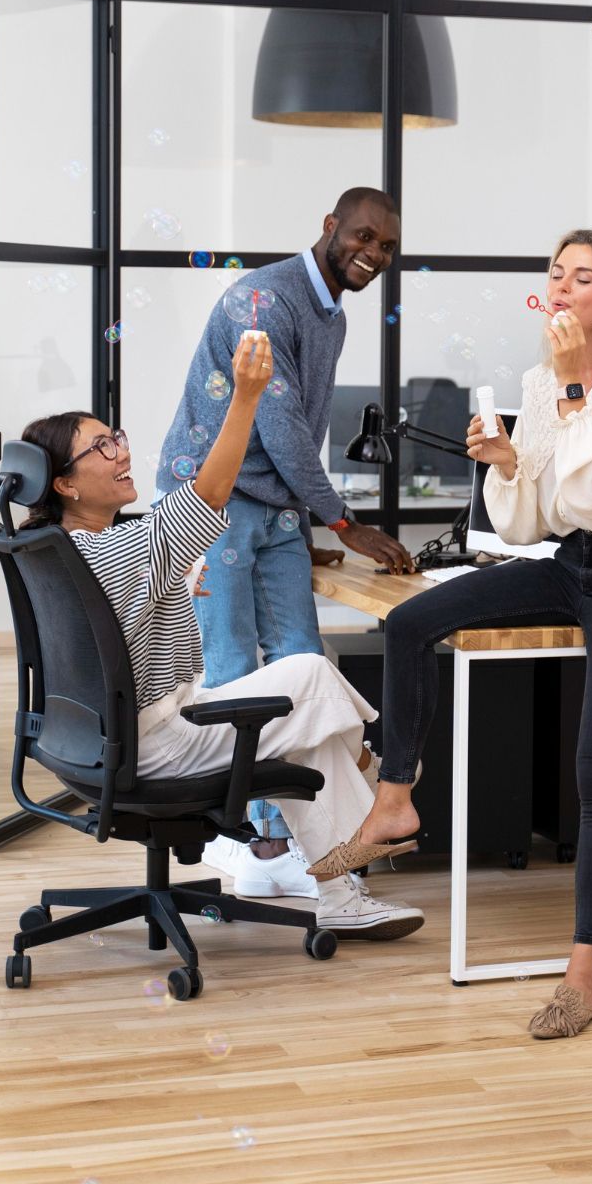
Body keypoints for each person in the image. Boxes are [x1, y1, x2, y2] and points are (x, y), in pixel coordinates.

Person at [307, 230, 592, 1038]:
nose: (560, 288)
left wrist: (578, 386)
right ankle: (395, 804)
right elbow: (536, 521)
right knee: (413, 621)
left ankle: (582, 976)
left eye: (581, 278)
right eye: (555, 273)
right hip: (572, 564)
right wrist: (508, 464)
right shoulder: (539, 378)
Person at [21, 330, 424, 942]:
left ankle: (344, 884)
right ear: (67, 485)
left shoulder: (52, 547)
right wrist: (245, 396)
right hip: (156, 744)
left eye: (116, 436)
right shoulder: (124, 547)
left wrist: (174, 587)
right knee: (308, 680)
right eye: (100, 447)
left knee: (301, 710)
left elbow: (115, 624)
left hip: (91, 740)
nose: (119, 451)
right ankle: (379, 781)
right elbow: (210, 494)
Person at [156, 187, 414, 899]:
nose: (373, 254)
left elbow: (299, 432)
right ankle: (253, 838)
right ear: (329, 226)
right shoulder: (262, 303)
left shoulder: (330, 312)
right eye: (363, 236)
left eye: (387, 246)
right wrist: (343, 521)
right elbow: (280, 430)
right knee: (236, 671)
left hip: (273, 513)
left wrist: (306, 527)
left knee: (303, 665)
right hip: (212, 503)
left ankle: (304, 838)